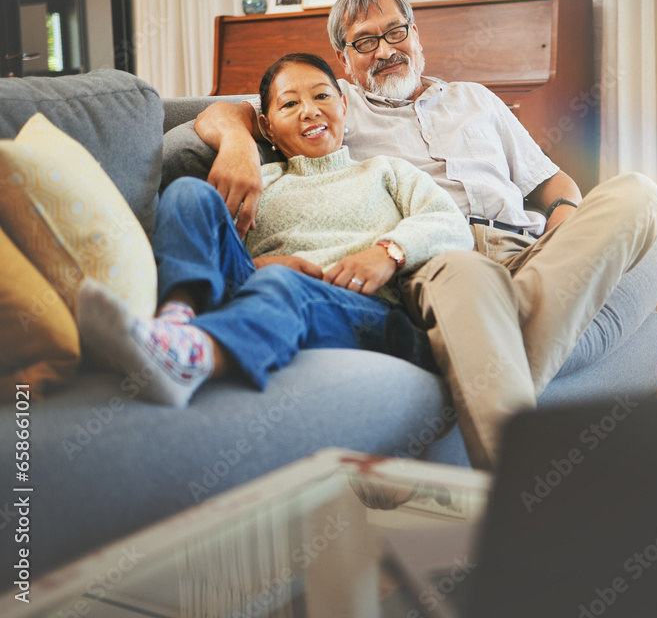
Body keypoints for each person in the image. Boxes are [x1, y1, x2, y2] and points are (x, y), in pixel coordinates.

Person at [194, 0, 657, 470]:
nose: (385, 50)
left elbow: (551, 181)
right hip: (441, 261)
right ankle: (517, 462)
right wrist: (235, 142)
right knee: (473, 274)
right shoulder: (334, 107)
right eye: (364, 42)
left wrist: (565, 228)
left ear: (416, 35)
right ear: (344, 61)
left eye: (395, 32)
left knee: (638, 194)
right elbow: (218, 112)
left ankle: (506, 344)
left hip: (528, 246)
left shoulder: (477, 99)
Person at [77, 52, 473, 408]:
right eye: (289, 104)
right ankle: (175, 323)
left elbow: (449, 223)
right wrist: (259, 263)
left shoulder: (385, 171)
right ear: (266, 127)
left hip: (363, 308)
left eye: (322, 96)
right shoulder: (259, 181)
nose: (310, 111)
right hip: (259, 286)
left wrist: (388, 252)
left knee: (283, 286)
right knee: (188, 194)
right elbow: (220, 254)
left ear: (344, 106)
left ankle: (194, 359)